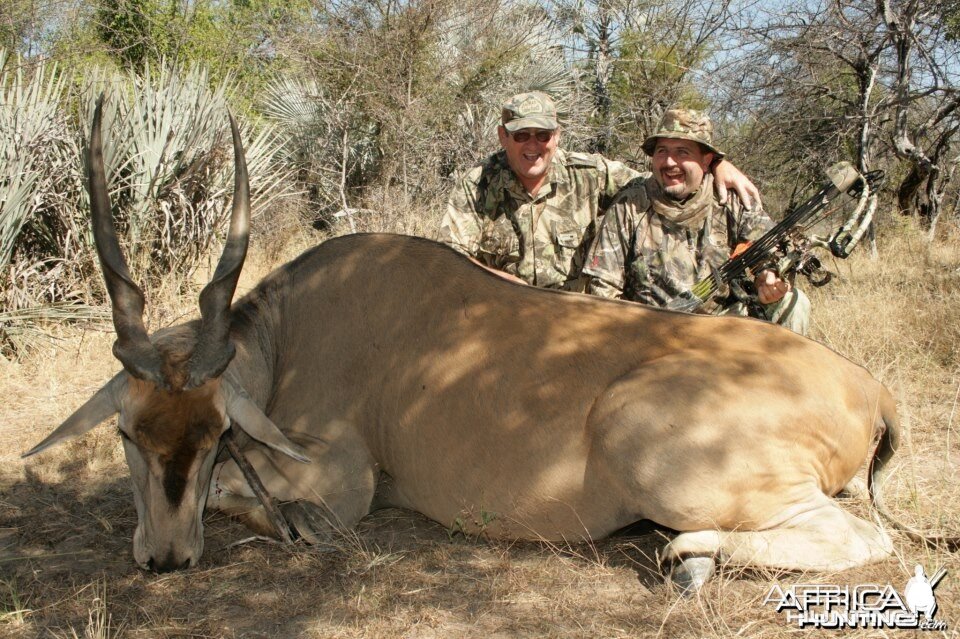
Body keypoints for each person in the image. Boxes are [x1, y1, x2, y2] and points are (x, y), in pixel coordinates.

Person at [438, 91, 761, 292]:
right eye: (522, 136)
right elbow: (446, 261)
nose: (533, 145)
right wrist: (502, 283)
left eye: (543, 135)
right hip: (504, 311)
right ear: (503, 137)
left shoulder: (591, 174)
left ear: (557, 136)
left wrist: (716, 164)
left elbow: (664, 179)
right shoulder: (477, 184)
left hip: (574, 317)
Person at [582, 108, 810, 334]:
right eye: (662, 151)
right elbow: (603, 289)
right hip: (651, 334)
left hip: (723, 326)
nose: (670, 162)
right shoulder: (630, 204)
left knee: (794, 305)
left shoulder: (730, 199)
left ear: (706, 161)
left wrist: (767, 275)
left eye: (683, 152)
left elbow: (771, 250)